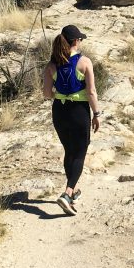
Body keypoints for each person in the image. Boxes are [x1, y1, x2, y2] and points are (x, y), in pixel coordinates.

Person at [42, 23, 101, 216]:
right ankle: (67, 195)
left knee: (69, 151)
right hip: (79, 111)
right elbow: (91, 92)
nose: (81, 41)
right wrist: (96, 114)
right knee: (80, 153)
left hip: (59, 111)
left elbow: (46, 93)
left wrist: (61, 94)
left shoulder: (51, 65)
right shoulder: (84, 62)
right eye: (80, 39)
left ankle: (73, 191)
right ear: (75, 41)